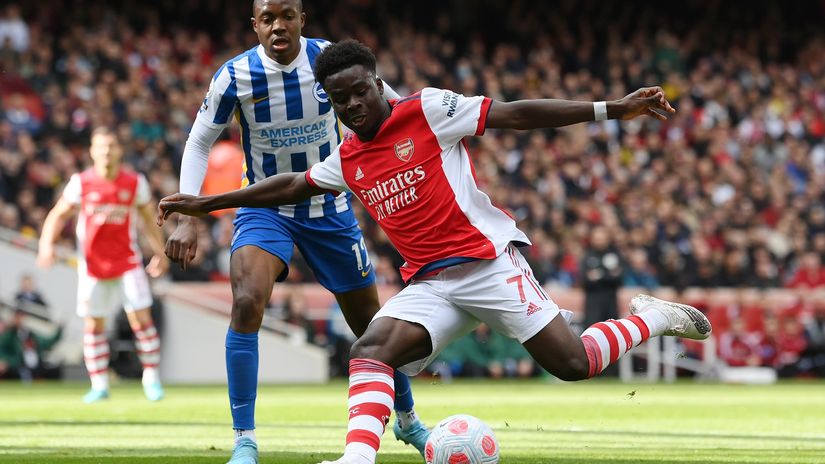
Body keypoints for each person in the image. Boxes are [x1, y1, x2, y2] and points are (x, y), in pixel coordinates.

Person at [157, 41, 713, 464]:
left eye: (361, 91)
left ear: (378, 84)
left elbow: (515, 113)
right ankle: (357, 457)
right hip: (430, 286)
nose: (353, 105)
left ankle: (652, 318)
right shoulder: (349, 159)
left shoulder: (427, 111)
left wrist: (610, 109)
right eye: (340, 99)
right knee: (369, 348)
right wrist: (208, 203)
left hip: (490, 266)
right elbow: (290, 186)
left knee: (574, 365)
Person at [163, 1, 426, 462]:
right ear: (255, 24)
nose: (278, 26)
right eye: (268, 18)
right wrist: (187, 216)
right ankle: (244, 439)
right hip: (265, 207)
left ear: (302, 19)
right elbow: (199, 140)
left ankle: (407, 421)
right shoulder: (235, 75)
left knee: (371, 325)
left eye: (287, 15)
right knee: (246, 302)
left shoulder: (329, 63)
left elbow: (391, 106)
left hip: (330, 206)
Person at [38, 126, 169, 403]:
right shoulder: (81, 182)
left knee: (141, 320)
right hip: (92, 265)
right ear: (92, 151)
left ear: (119, 150)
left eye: (111, 146)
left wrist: (160, 252)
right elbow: (57, 214)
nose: (107, 151)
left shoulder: (135, 182)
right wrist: (45, 244)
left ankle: (151, 379)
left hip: (127, 261)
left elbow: (148, 219)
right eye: (101, 146)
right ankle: (99, 384)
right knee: (93, 325)